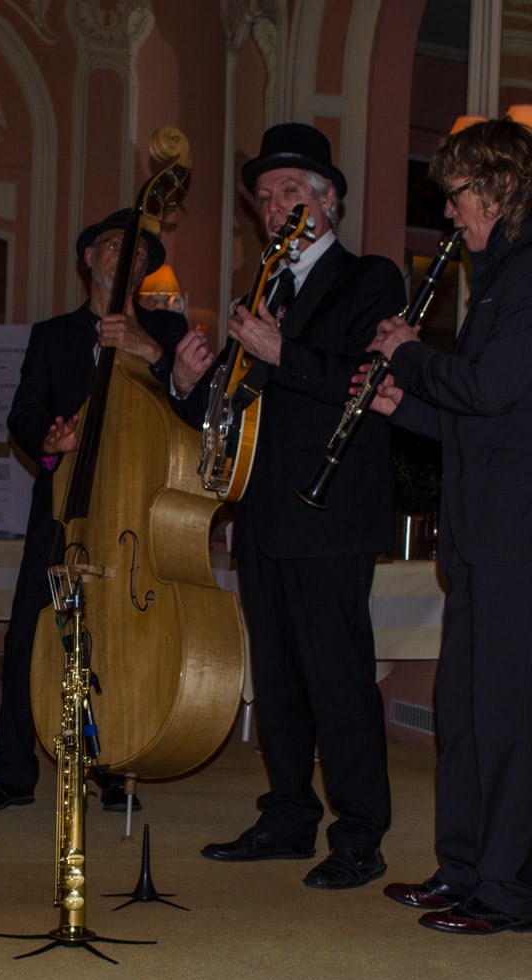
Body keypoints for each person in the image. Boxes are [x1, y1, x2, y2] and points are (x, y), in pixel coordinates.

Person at [358, 117, 532, 932]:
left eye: (458, 195)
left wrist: (408, 353)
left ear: (500, 186)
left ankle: (507, 894)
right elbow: (488, 413)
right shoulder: (498, 276)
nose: (450, 214)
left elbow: (490, 387)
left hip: (529, 528)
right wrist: (408, 404)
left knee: (503, 715)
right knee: (462, 711)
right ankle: (461, 870)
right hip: (487, 523)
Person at [169, 122, 407, 889]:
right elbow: (235, 406)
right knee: (275, 676)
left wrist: (280, 352)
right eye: (265, 198)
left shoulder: (371, 278)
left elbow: (364, 382)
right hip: (261, 510)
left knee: (338, 676)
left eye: (291, 192)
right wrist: (188, 382)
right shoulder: (259, 292)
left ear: (328, 202)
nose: (274, 207)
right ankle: (286, 817)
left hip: (332, 507)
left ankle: (360, 834)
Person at [0, 209, 189, 815]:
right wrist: (50, 439)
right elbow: (24, 414)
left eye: (140, 255)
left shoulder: (167, 327)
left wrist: (151, 352)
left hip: (135, 510)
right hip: (65, 508)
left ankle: (112, 764)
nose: (128, 259)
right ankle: (13, 773)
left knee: (116, 640)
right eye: (117, 247)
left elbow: (194, 404)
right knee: (29, 634)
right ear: (90, 258)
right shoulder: (54, 334)